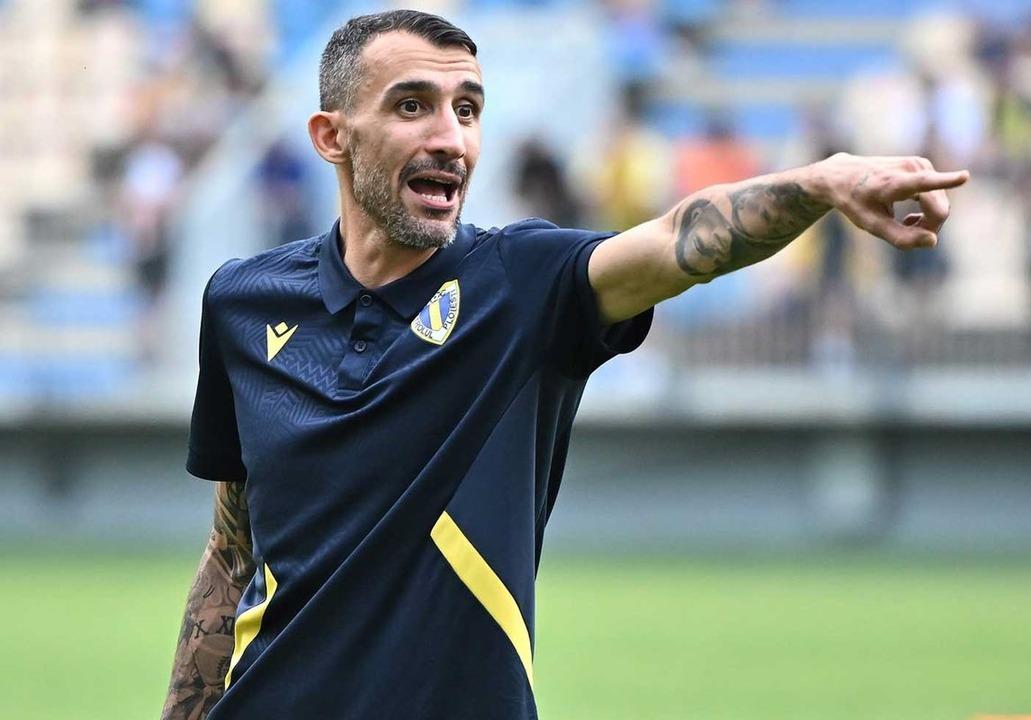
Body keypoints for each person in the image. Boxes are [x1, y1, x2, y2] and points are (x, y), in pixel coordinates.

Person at [160, 10, 969, 720]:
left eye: (468, 109)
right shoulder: (242, 302)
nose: (451, 137)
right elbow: (232, 550)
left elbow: (679, 240)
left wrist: (821, 183)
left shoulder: (521, 285)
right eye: (413, 105)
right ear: (332, 137)